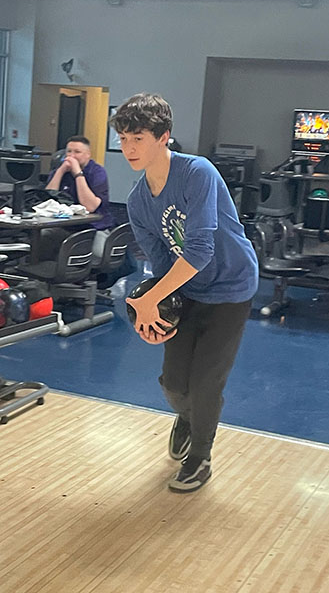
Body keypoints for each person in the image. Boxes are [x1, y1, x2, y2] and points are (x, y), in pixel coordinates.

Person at [111, 93, 258, 493]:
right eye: (123, 139)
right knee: (175, 384)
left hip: (231, 286)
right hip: (189, 289)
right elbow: (161, 260)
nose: (129, 148)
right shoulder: (139, 200)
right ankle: (189, 417)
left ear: (164, 137)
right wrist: (153, 310)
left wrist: (145, 299)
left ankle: (200, 458)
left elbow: (200, 250)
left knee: (207, 382)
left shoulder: (198, 173)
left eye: (138, 137)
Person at [41, 135, 114, 261]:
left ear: (88, 154)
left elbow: (90, 207)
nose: (71, 156)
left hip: (94, 226)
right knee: (43, 237)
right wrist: (60, 171)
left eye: (77, 152)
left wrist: (78, 174)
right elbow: (48, 200)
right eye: (69, 151)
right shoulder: (60, 171)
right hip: (64, 226)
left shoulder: (97, 172)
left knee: (99, 256)